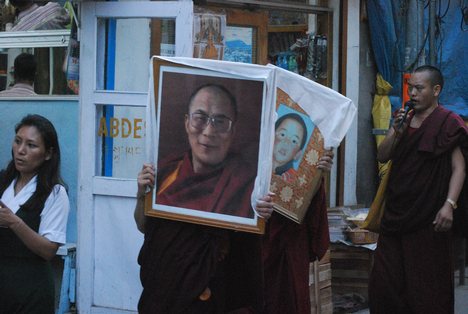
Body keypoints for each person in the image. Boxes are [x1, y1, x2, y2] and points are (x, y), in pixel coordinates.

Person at [134, 84, 268, 313]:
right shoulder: (164, 174)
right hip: (163, 293)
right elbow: (143, 226)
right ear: (187, 122)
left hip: (215, 299)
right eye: (200, 118)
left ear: (233, 131)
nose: (208, 131)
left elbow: (250, 256)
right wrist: (141, 195)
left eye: (220, 121)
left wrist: (262, 212)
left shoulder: (247, 184)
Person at [368, 65, 468, 313]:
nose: (412, 93)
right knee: (385, 283)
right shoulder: (404, 117)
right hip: (396, 213)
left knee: (426, 286)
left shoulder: (449, 122)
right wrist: (396, 132)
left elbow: (460, 169)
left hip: (429, 218)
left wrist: (449, 205)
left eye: (419, 88)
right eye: (410, 87)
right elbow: (382, 156)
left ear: (436, 90)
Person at [0, 114, 70, 314]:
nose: (21, 151)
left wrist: (15, 222)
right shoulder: (4, 181)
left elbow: (48, 250)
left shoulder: (55, 193)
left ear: (48, 154)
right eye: (18, 142)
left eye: (31, 146)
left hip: (31, 290)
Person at [258, 149, 334, 314]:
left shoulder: (304, 151)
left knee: (289, 298)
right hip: (251, 238)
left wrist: (316, 173)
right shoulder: (251, 141)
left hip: (291, 235)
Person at [273, 112, 308, 183]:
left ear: (297, 154)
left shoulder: (293, 181)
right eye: (282, 134)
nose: (286, 143)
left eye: (294, 141)